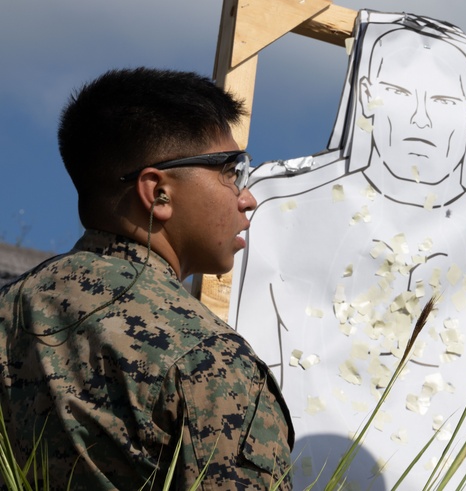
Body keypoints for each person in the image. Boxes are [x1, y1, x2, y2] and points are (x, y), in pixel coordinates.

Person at [229, 19, 466, 489]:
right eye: (400, 93)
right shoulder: (278, 208)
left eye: (443, 102)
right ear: (366, 94)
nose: (421, 118)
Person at [0, 67, 294, 489]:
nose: (246, 199)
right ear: (158, 193)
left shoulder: (10, 310)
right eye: (232, 172)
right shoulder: (204, 356)